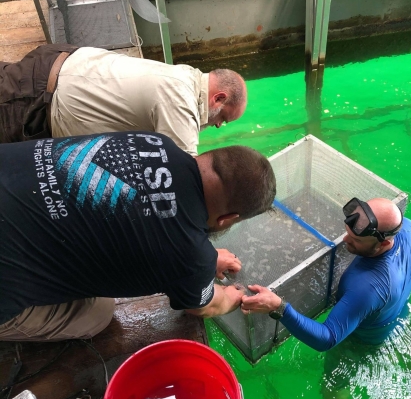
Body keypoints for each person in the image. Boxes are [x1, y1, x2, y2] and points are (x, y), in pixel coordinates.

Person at [0, 131, 275, 342]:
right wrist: (233, 295)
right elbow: (203, 306)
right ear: (227, 219)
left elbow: (147, 212)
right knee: (96, 314)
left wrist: (204, 260)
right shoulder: (191, 255)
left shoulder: (156, 141)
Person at [242, 198, 411, 399]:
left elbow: (326, 338)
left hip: (360, 340)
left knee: (335, 386)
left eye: (355, 242)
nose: (345, 242)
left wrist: (278, 307)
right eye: (347, 234)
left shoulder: (367, 286)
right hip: (396, 313)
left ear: (384, 242)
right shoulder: (410, 228)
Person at [0, 45, 247, 155]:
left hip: (55, 63)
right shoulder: (182, 102)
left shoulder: (185, 76)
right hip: (36, 99)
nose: (217, 125)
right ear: (219, 97)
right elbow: (187, 176)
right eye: (223, 118)